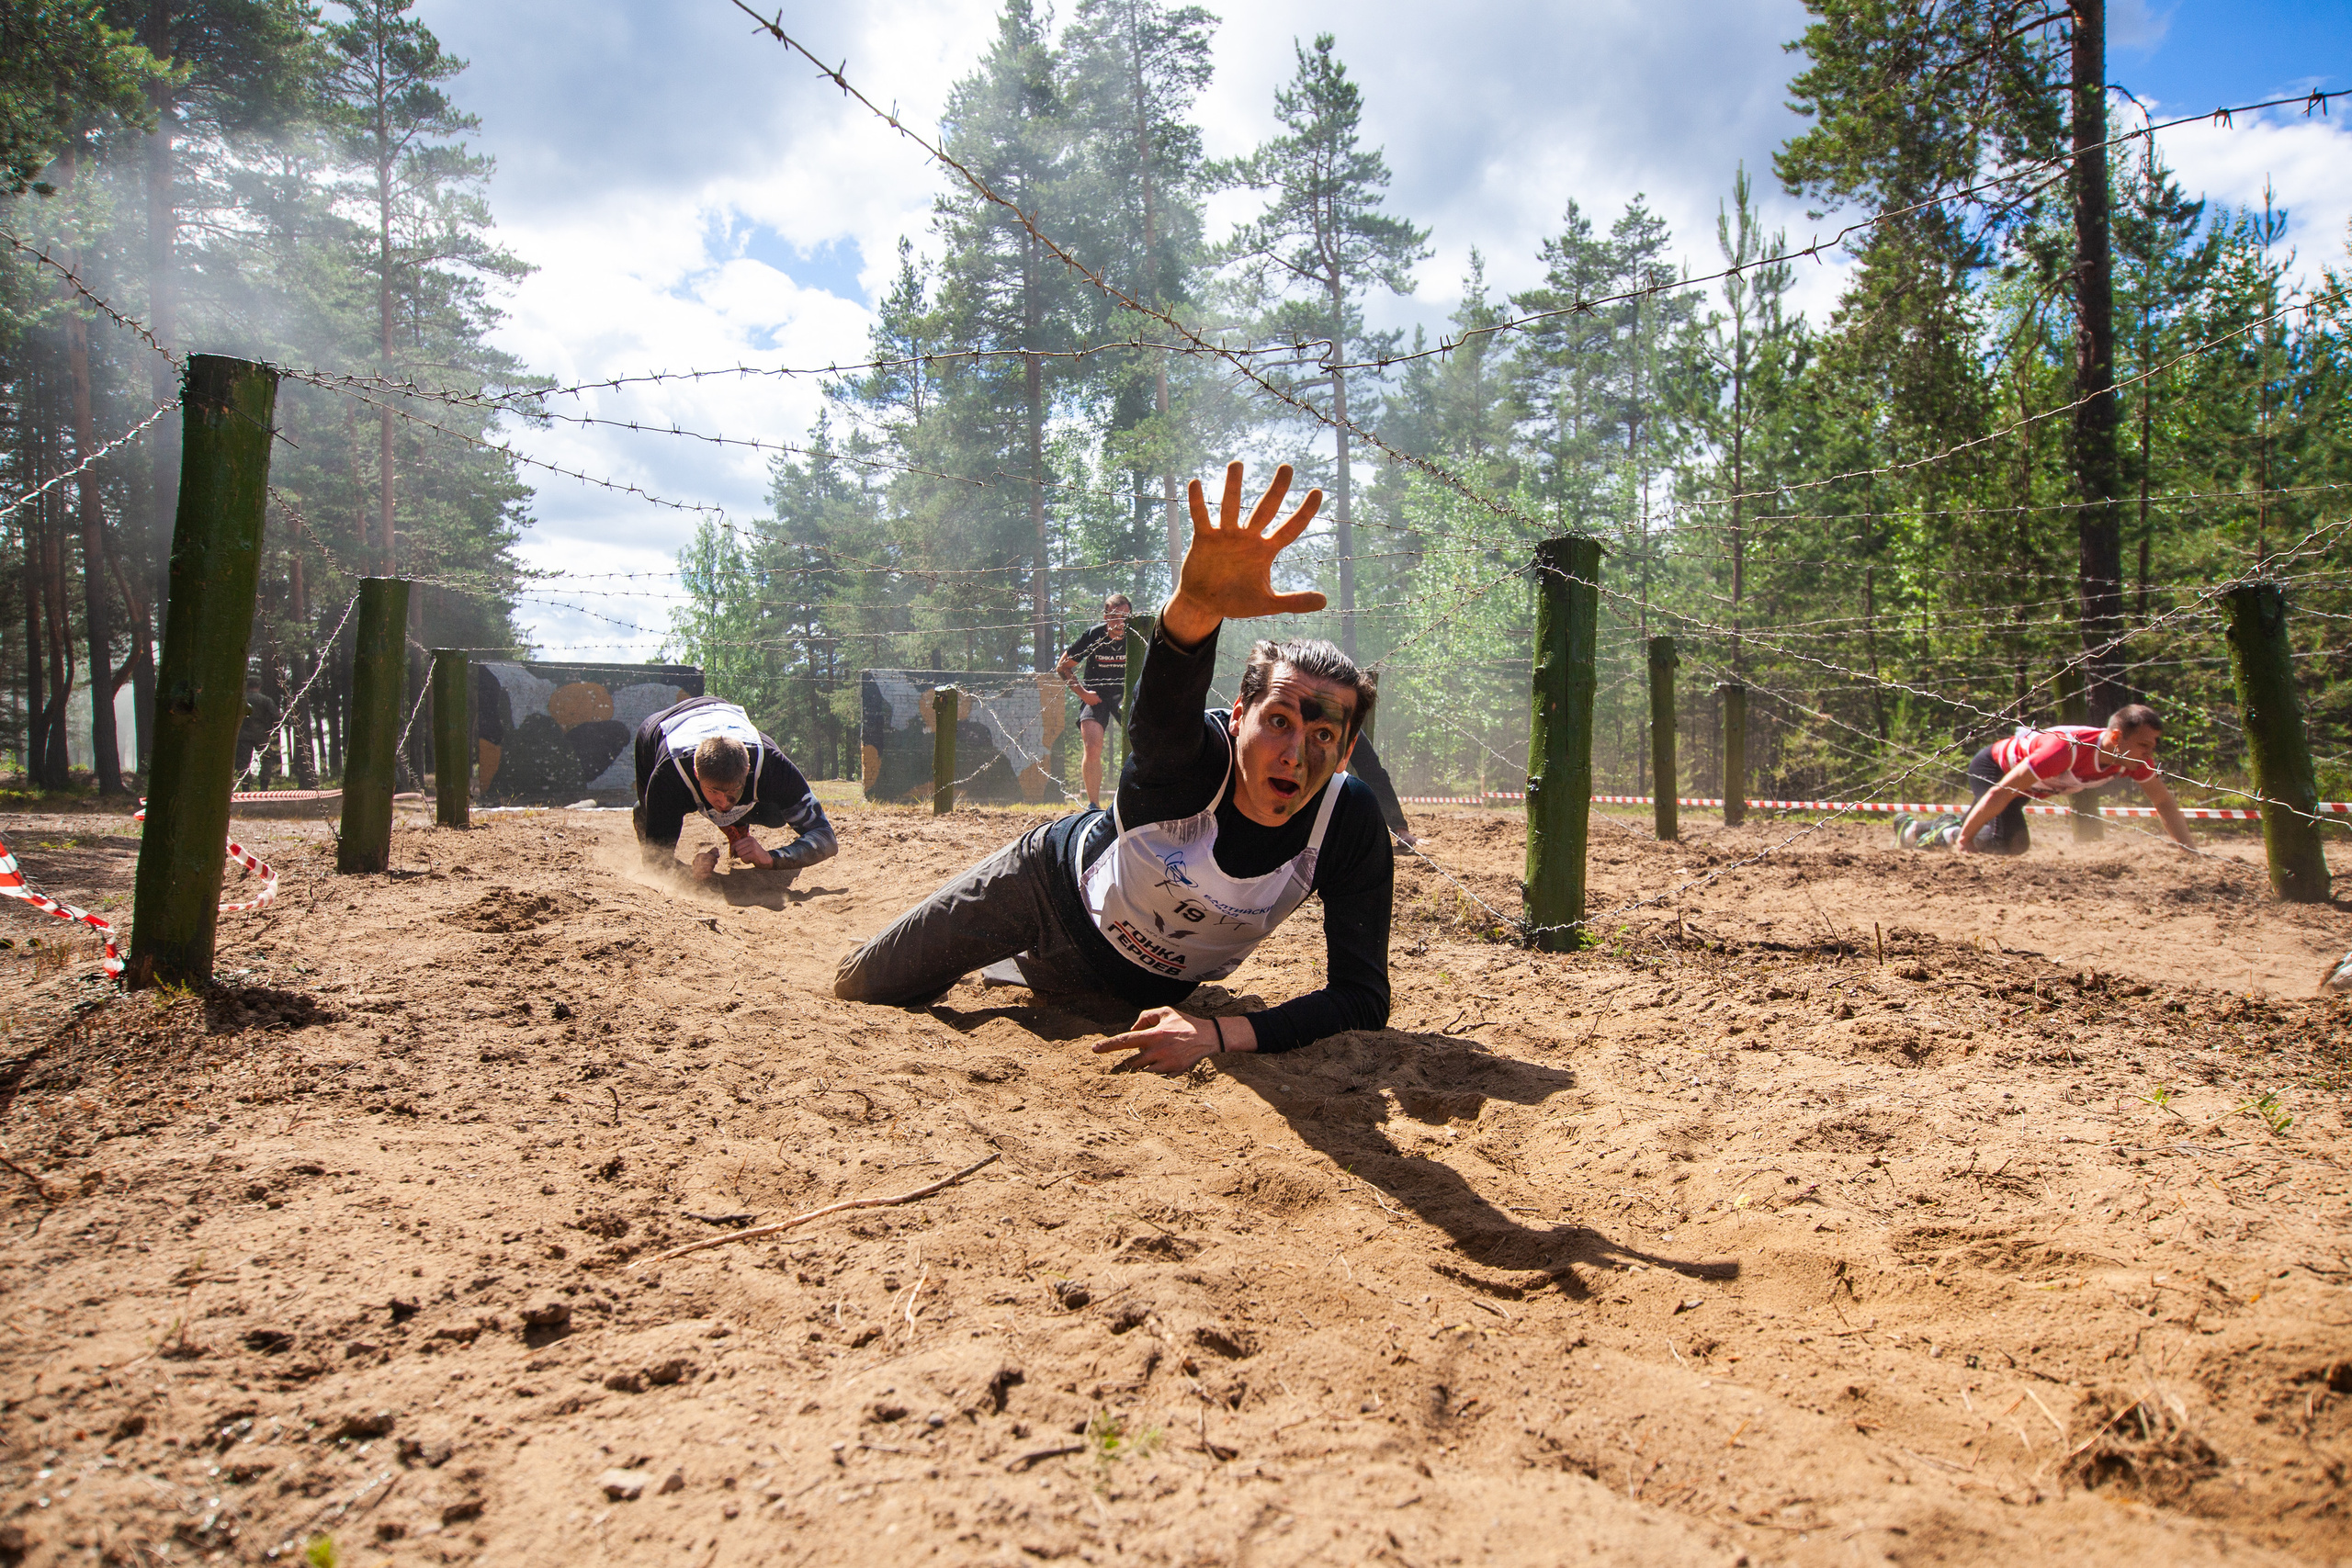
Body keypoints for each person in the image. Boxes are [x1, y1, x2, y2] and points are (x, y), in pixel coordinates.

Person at [835, 461, 1393, 1076]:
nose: (1294, 754)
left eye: (1321, 735)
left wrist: (1216, 1031)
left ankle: (1014, 969)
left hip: (1134, 992)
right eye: (1279, 721)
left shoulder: (1346, 823)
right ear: (1239, 715)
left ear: (1346, 751)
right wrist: (1195, 607)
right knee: (862, 987)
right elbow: (1162, 707)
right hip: (1042, 891)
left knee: (1016, 981)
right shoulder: (1185, 761)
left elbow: (1363, 998)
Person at [1894, 703, 2196, 855]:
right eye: (2145, 743)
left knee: (1991, 831)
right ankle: (1947, 830)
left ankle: (1913, 830)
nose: (2150, 752)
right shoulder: (2065, 750)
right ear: (2116, 737)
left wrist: (2188, 850)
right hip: (1995, 770)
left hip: (2028, 787)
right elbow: (2002, 792)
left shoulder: (2134, 759)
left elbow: (2164, 802)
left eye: (2153, 745)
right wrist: (1963, 840)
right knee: (2009, 841)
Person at [632, 694, 837, 884]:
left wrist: (770, 859)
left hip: (723, 711)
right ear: (696, 774)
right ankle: (645, 808)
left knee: (776, 816)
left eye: (732, 794)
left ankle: (736, 822)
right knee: (654, 832)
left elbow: (826, 837)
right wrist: (689, 873)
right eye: (713, 792)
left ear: (747, 771)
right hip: (658, 729)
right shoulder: (669, 777)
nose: (722, 803)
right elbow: (656, 864)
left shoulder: (772, 767)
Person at [1057, 593, 1133, 808]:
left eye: (1125, 617)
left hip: (1124, 695)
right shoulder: (1094, 635)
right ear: (1106, 616)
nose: (1120, 623)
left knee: (1141, 744)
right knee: (1092, 747)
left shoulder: (1136, 635)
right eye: (1115, 617)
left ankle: (1132, 801)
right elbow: (1063, 666)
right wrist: (1083, 694)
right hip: (1095, 694)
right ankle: (1093, 805)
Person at [236, 677, 281, 787]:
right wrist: (270, 729)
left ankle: (245, 788)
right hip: (262, 734)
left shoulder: (241, 700)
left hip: (243, 735)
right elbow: (276, 716)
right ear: (259, 686)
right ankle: (264, 786)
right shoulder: (266, 700)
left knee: (243, 762)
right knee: (267, 758)